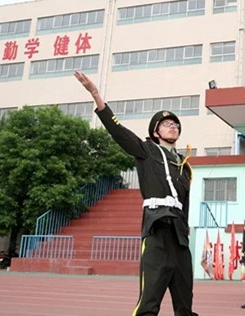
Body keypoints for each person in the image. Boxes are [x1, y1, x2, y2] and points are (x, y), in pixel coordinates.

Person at [74, 71, 196, 316]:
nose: (173, 127)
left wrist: (185, 228)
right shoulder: (146, 150)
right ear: (156, 132)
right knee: (149, 301)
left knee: (185, 302)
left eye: (175, 125)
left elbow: (186, 203)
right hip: (157, 230)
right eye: (166, 124)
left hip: (180, 237)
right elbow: (118, 131)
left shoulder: (184, 165)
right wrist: (95, 94)